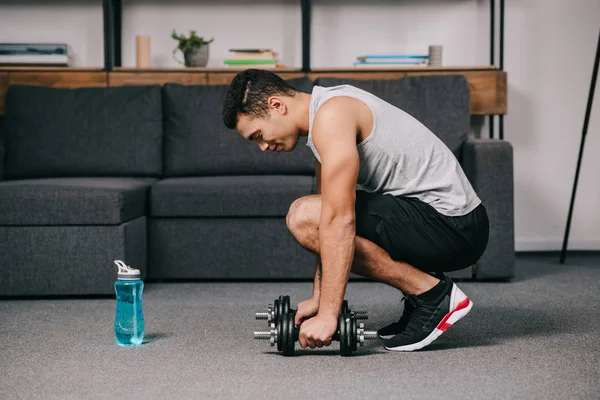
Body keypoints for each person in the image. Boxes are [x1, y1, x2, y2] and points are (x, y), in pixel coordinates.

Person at [221, 68, 489, 352]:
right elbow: (329, 217)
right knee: (314, 213)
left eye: (258, 135)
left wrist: (328, 316)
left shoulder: (332, 116)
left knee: (302, 216)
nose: (262, 147)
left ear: (276, 105)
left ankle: (432, 295)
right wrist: (319, 297)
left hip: (455, 226)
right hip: (443, 221)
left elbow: (339, 221)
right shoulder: (325, 113)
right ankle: (424, 295)